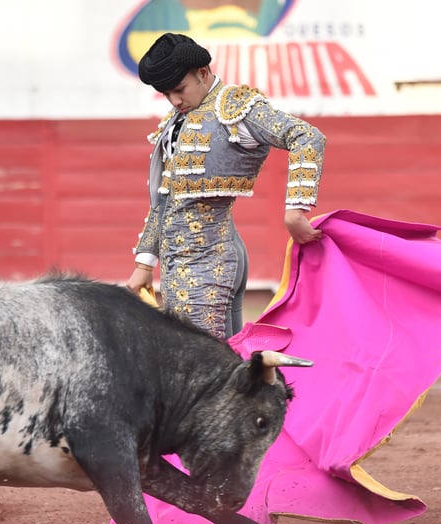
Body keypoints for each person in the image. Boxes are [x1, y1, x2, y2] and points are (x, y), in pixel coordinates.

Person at [125, 32, 325, 340]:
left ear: (203, 73)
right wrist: (144, 263)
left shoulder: (233, 106)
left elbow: (305, 136)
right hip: (187, 260)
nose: (174, 100)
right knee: (223, 367)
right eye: (166, 94)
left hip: (209, 260)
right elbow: (166, 197)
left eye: (179, 89)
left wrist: (295, 210)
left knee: (203, 369)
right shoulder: (179, 119)